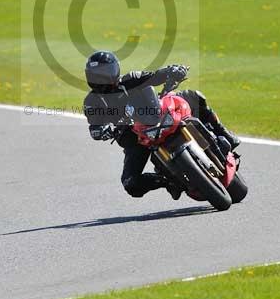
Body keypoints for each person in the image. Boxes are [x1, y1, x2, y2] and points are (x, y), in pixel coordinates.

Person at [82, 50, 241, 200]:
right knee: (130, 183)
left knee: (193, 96)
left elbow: (155, 76)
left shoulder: (130, 79)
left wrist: (172, 71)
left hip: (157, 116)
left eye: (107, 72)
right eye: (100, 75)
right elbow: (94, 127)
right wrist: (102, 131)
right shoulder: (92, 102)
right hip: (136, 139)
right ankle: (168, 181)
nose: (105, 78)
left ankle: (224, 134)